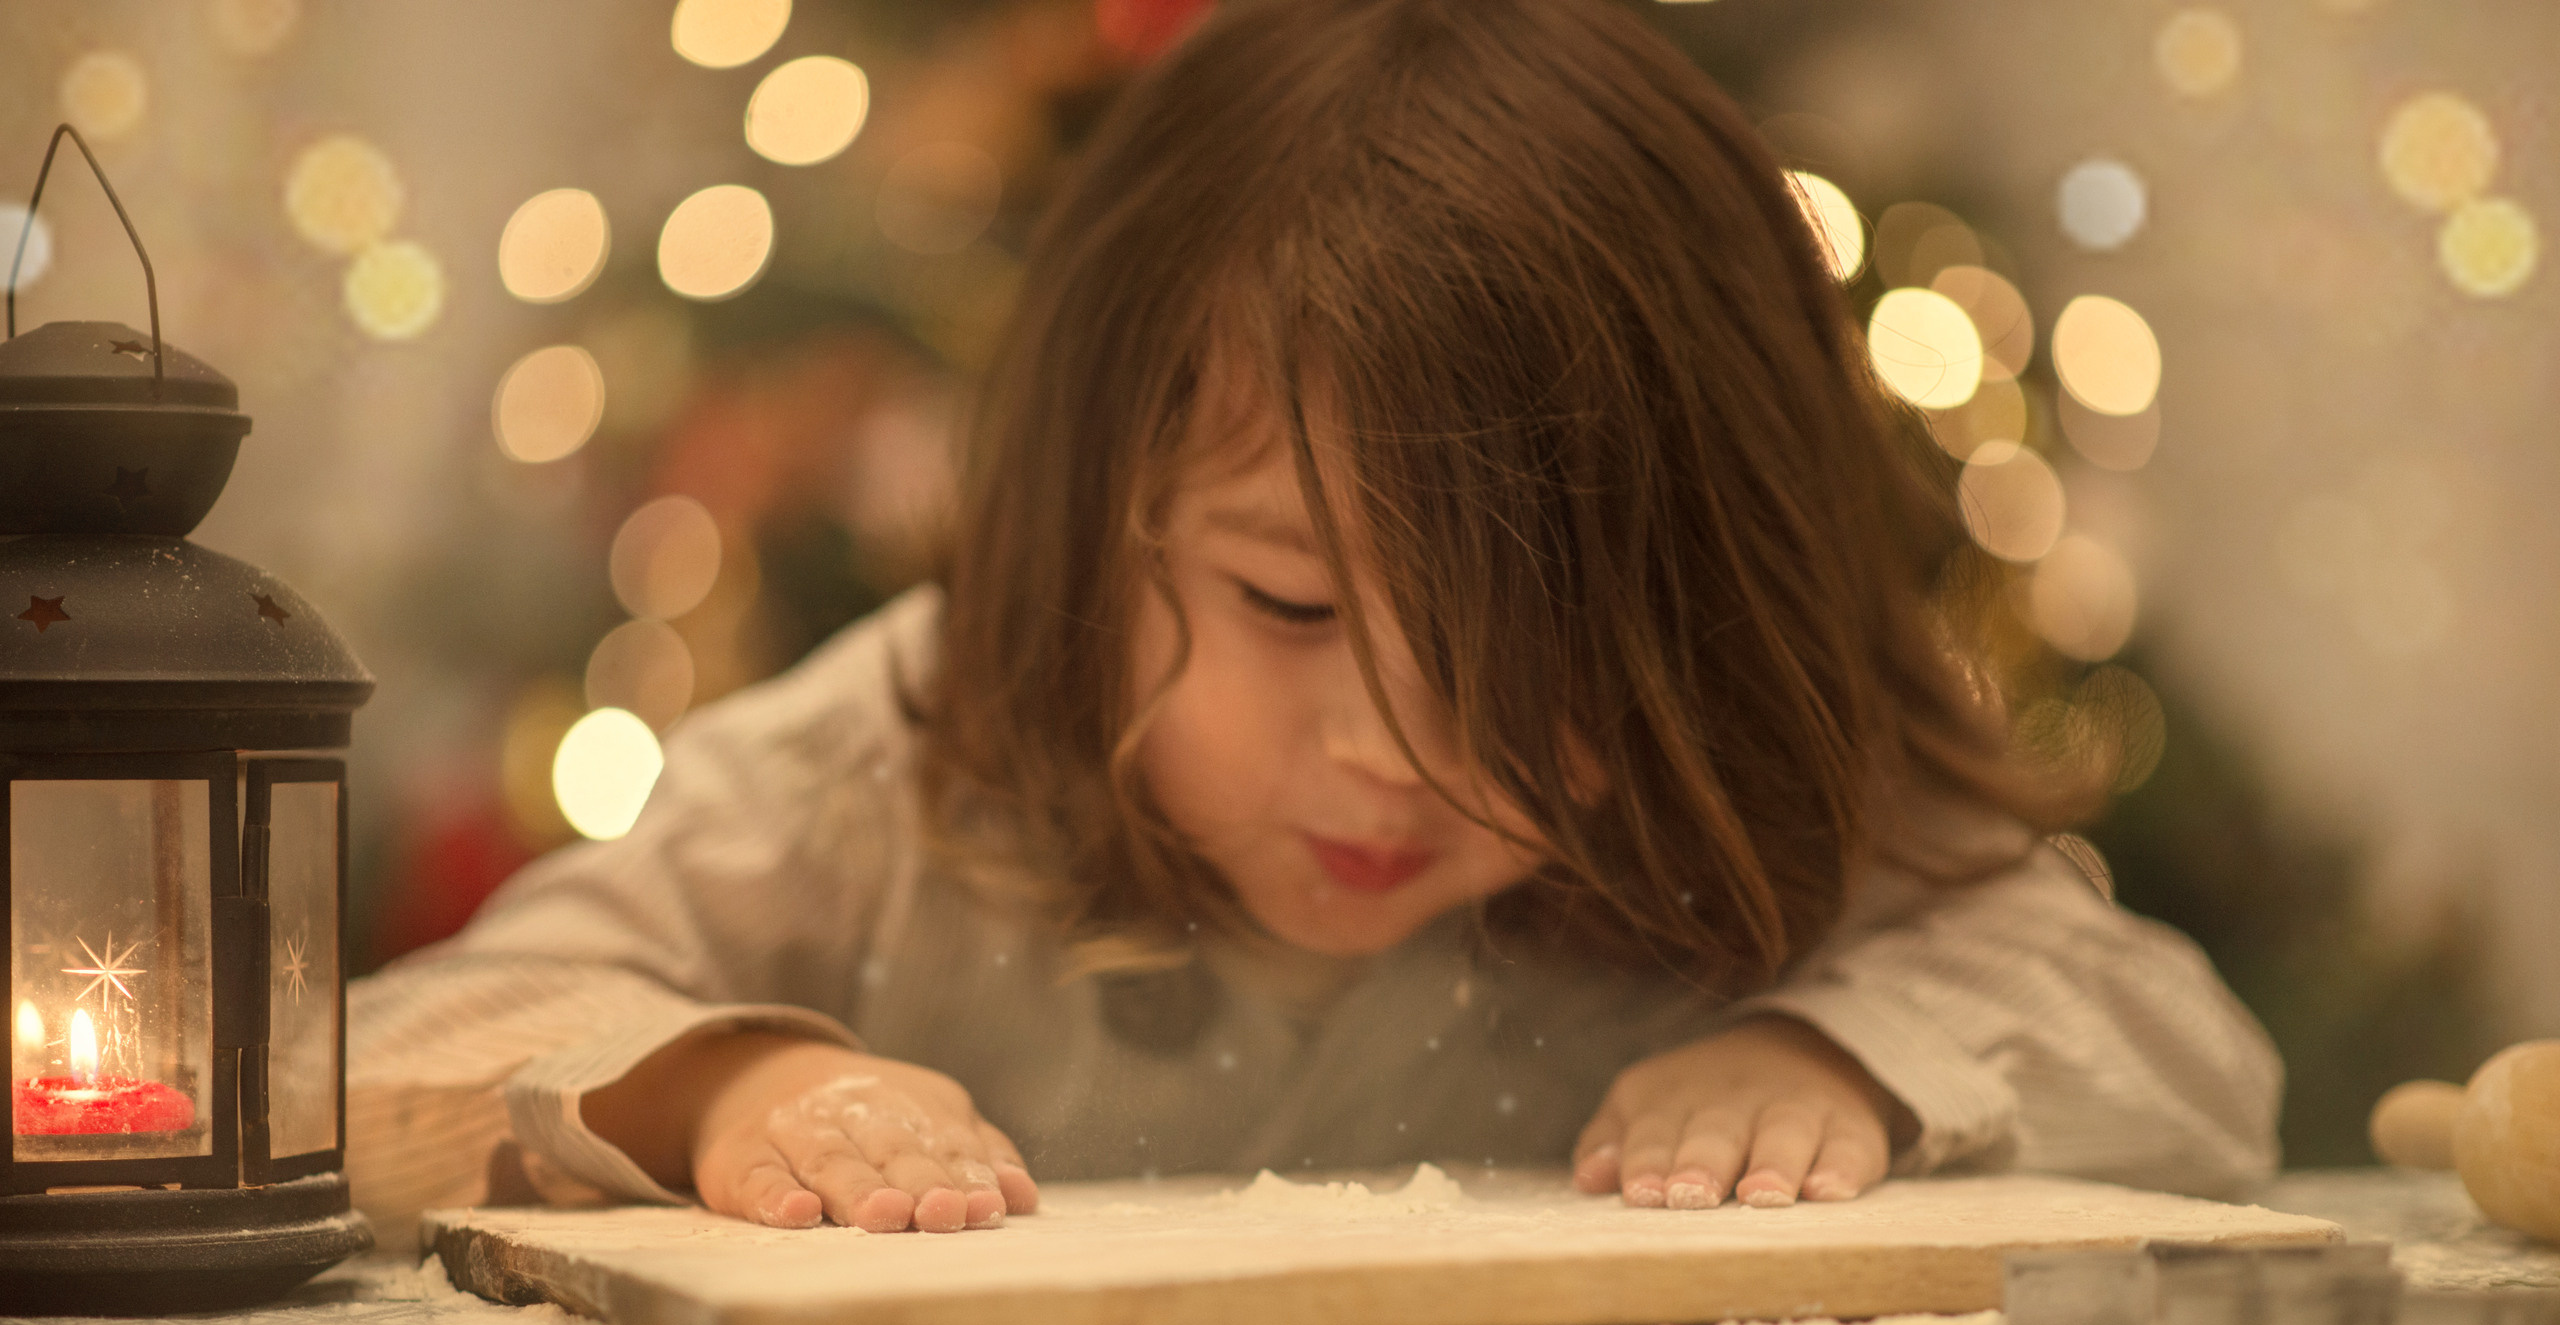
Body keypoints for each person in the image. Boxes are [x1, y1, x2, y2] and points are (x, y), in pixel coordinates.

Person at [346, 0, 2279, 1243]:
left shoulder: (1733, 807)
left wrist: (1842, 1058)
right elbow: (389, 1058)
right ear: (1092, 521)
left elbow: (2194, 1061)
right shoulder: (905, 757)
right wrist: (729, 1083)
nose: (1397, 753)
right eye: (1287, 602)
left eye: (1536, 661)